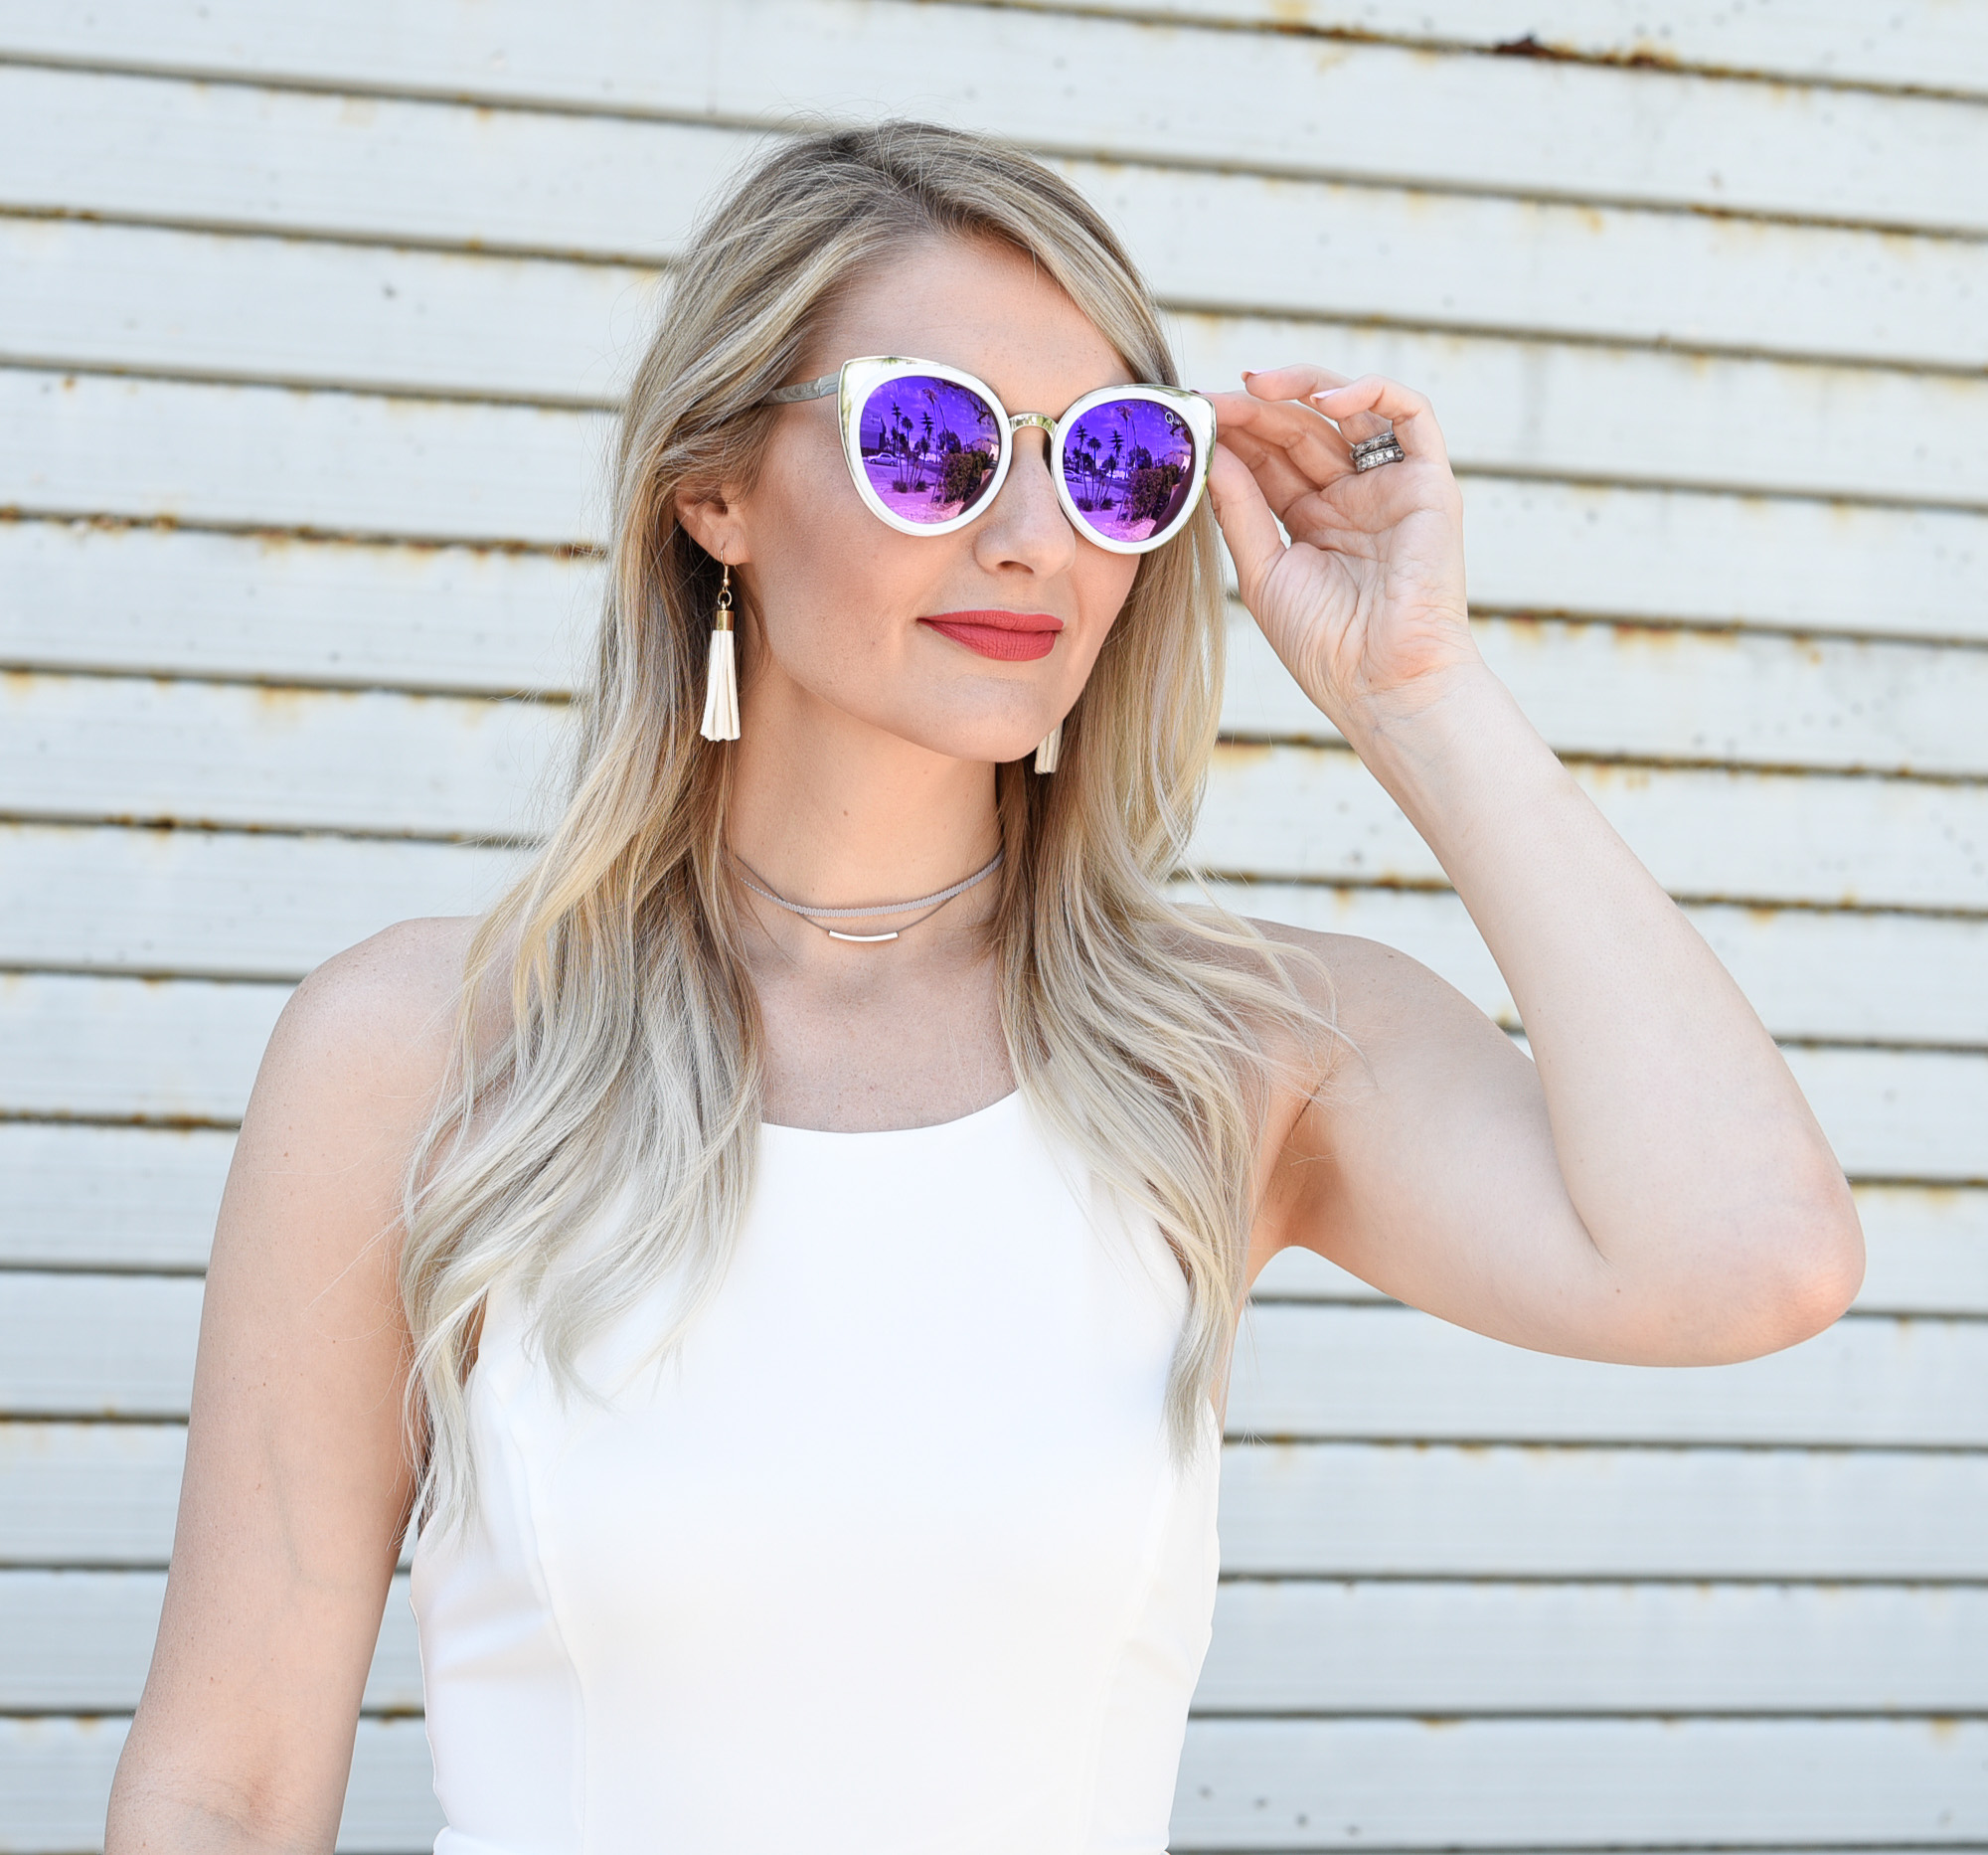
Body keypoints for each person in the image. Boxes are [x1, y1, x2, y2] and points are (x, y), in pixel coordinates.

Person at [105, 121, 1863, 1855]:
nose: (1035, 535)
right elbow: (229, 1787)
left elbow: (1748, 1257)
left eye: (1109, 463)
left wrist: (1417, 692)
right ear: (714, 489)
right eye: (933, 445)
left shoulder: (1235, 1051)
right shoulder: (422, 1052)